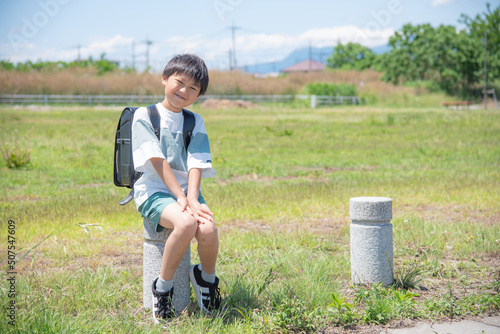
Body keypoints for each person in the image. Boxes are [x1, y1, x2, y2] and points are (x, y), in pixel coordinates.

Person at [131, 54, 220, 323]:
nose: (184, 91)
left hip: (187, 191)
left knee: (207, 227)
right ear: (164, 79)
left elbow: (197, 162)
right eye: (179, 82)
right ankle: (163, 287)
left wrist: (192, 197)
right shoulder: (145, 115)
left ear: (199, 94)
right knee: (185, 225)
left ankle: (206, 280)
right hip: (153, 190)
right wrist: (181, 197)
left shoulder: (195, 121)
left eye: (193, 88)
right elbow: (157, 161)